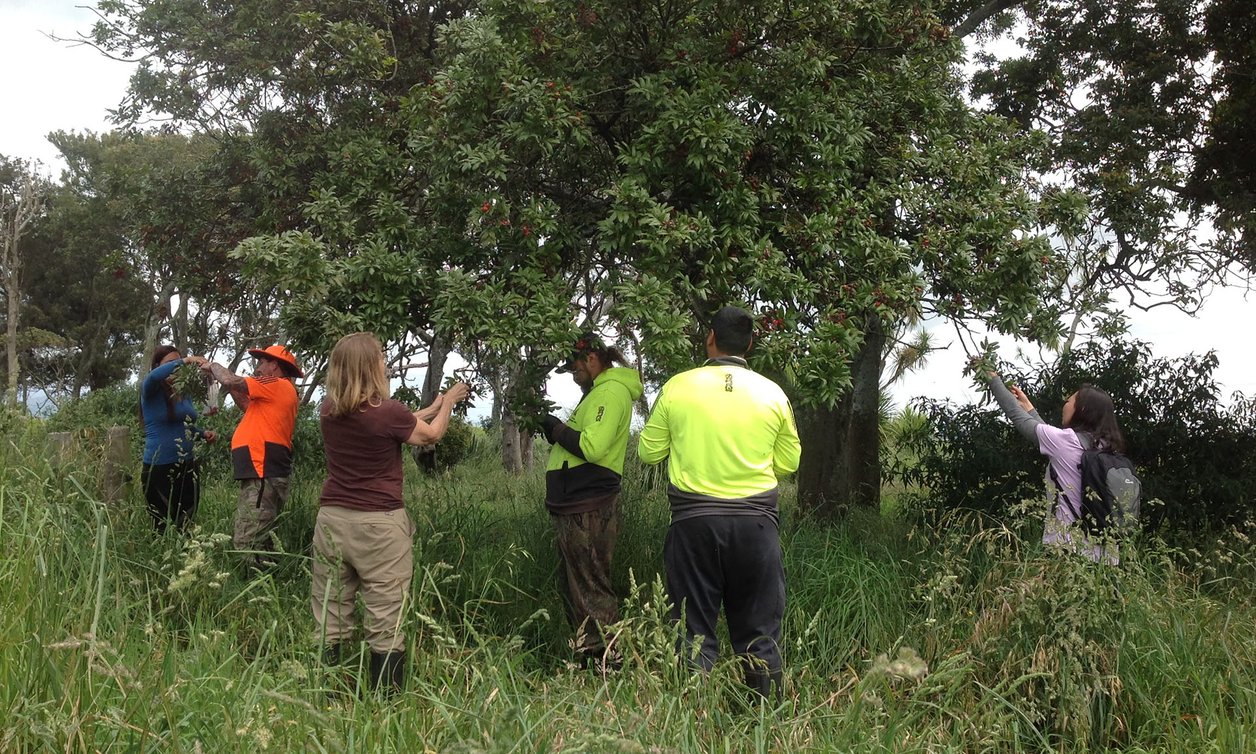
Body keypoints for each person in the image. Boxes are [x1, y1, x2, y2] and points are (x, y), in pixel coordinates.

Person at [637, 306, 802, 698]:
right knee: (761, 632)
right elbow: (789, 462)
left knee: (692, 631)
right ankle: (765, 721)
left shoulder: (677, 387)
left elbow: (648, 452)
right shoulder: (772, 393)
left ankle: (696, 721)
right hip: (757, 525)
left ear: (709, 338)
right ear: (750, 343)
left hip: (693, 523)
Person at [312, 332, 470, 693]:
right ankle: (385, 702)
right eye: (380, 356)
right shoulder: (388, 411)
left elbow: (392, 424)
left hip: (332, 521)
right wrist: (449, 403)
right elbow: (429, 436)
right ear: (369, 366)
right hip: (379, 525)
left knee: (330, 610)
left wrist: (430, 406)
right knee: (386, 613)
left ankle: (326, 693)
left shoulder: (328, 408)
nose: (385, 361)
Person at [538, 333, 643, 668]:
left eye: (576, 366)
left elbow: (592, 447)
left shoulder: (609, 393)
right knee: (581, 583)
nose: (573, 373)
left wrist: (556, 428)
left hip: (588, 504)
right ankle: (588, 658)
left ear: (593, 358)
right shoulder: (601, 392)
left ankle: (608, 662)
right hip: (579, 502)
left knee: (591, 584)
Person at [985, 372, 1128, 563]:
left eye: (1069, 401)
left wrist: (993, 379)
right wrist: (1030, 409)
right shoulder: (1105, 447)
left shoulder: (1065, 441)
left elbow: (1017, 417)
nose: (1065, 405)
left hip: (1067, 549)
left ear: (1081, 409)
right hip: (1107, 557)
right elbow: (1052, 440)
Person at [201, 345, 303, 570]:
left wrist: (214, 366)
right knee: (262, 535)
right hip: (262, 471)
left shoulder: (277, 385)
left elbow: (229, 381)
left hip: (263, 471)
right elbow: (247, 405)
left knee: (248, 538)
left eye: (261, 362)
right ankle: (269, 579)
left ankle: (252, 588)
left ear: (274, 365)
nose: (257, 368)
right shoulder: (275, 393)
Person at [139, 346, 216, 533]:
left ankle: (186, 559)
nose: (176, 368)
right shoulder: (151, 389)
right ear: (157, 366)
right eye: (170, 363)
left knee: (186, 520)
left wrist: (202, 434)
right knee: (161, 524)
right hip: (159, 466)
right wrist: (186, 360)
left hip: (187, 463)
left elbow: (184, 427)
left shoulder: (183, 392)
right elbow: (153, 377)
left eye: (177, 363)